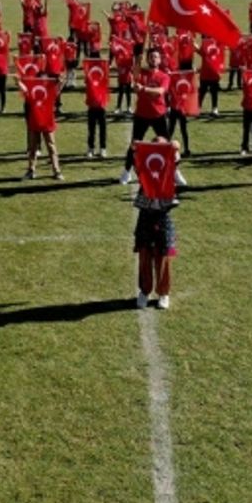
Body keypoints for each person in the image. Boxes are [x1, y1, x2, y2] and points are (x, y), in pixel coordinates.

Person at [133, 138, 180, 310]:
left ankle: (163, 293)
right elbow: (134, 155)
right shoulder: (143, 165)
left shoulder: (170, 164)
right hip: (145, 216)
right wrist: (140, 147)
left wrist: (169, 147)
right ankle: (144, 291)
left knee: (163, 257)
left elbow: (176, 146)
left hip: (162, 217)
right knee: (144, 256)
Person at [119, 47, 171, 184]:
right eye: (151, 57)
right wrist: (138, 60)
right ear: (148, 59)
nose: (153, 59)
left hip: (158, 115)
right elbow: (134, 74)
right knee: (134, 145)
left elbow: (160, 92)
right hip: (141, 115)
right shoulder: (141, 73)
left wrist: (144, 89)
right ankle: (126, 172)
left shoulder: (164, 76)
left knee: (167, 145)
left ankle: (173, 172)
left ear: (160, 60)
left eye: (156, 57)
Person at [18, 75, 63, 180]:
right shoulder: (33, 92)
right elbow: (24, 90)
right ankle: (31, 170)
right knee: (32, 148)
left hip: (47, 122)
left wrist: (60, 81)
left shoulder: (50, 91)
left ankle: (56, 171)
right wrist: (18, 82)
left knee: (51, 147)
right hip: (35, 121)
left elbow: (58, 89)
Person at [83, 58, 109, 158]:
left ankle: (103, 148)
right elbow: (86, 75)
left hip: (101, 106)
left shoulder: (103, 78)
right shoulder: (89, 78)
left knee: (103, 129)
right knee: (91, 129)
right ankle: (91, 148)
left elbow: (106, 73)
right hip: (91, 106)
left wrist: (104, 64)